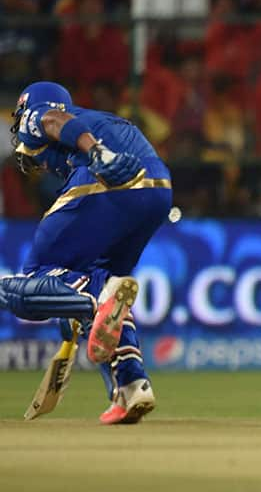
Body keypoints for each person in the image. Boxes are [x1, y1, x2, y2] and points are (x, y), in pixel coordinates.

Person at [2, 81, 172, 424]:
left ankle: (93, 303)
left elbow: (52, 120)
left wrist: (96, 152)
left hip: (106, 179)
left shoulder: (39, 116)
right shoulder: (100, 118)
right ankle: (131, 386)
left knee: (23, 283)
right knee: (101, 283)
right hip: (158, 189)